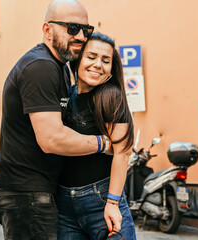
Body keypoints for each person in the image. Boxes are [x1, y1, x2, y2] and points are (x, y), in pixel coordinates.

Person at [0, 1, 109, 239]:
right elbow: (52, 139)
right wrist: (105, 144)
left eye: (86, 30)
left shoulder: (61, 68)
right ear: (47, 30)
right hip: (26, 193)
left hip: (39, 190)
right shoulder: (41, 67)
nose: (80, 37)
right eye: (72, 28)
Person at [56, 32, 136, 239]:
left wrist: (112, 203)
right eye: (91, 57)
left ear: (111, 68)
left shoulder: (110, 97)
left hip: (100, 199)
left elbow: (122, 153)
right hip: (63, 205)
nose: (98, 64)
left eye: (105, 60)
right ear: (79, 59)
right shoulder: (67, 95)